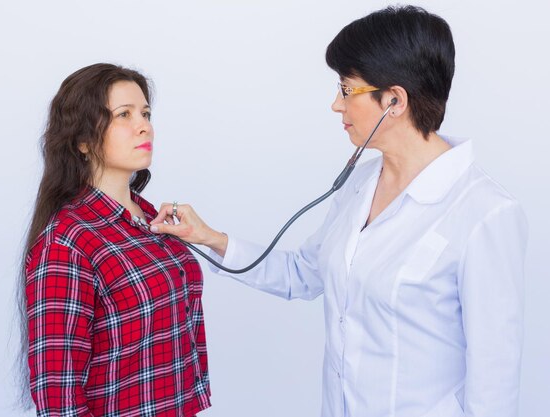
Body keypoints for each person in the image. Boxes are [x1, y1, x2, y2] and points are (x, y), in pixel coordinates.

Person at [149, 6, 527, 417]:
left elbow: (494, 387)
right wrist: (208, 237)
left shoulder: (486, 214)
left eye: (347, 90)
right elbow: (304, 273)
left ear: (394, 101)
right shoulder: (361, 182)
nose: (335, 104)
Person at [19, 63, 211, 417]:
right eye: (124, 114)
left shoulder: (152, 220)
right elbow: (58, 398)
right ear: (82, 140)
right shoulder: (67, 242)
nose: (144, 125)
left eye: (146, 113)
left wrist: (210, 238)